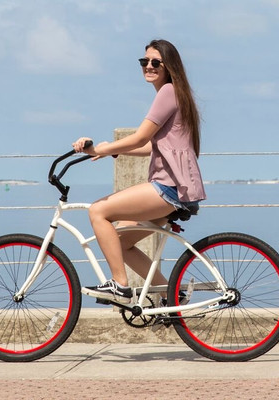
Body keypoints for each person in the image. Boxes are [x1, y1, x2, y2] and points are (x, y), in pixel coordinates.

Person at [72, 39, 205, 305]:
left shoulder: (168, 92)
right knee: (123, 243)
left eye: (156, 62)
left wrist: (99, 150)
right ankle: (172, 296)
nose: (149, 66)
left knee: (98, 211)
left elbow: (139, 138)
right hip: (176, 189)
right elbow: (151, 147)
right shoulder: (175, 93)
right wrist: (112, 149)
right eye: (145, 61)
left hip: (167, 188)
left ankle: (119, 285)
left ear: (170, 67)